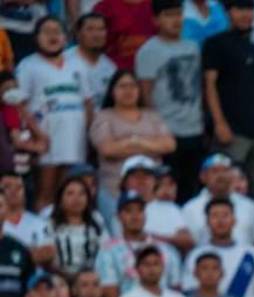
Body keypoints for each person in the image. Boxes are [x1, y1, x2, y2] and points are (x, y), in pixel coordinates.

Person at [135, 0, 204, 203]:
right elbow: (146, 94)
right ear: (156, 20)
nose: (176, 20)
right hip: (168, 130)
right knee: (168, 186)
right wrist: (155, 128)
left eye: (179, 14)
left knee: (192, 186)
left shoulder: (192, 47)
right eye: (169, 15)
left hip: (194, 127)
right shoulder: (149, 51)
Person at [17, 18, 88, 211]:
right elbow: (19, 105)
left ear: (65, 38)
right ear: (36, 38)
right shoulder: (28, 66)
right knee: (46, 193)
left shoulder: (77, 64)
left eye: (57, 31)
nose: (53, 36)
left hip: (75, 138)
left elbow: (86, 102)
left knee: (68, 191)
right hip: (47, 138)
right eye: (46, 31)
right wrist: (37, 134)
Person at [201, 0, 254, 199]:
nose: (246, 14)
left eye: (249, 9)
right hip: (232, 131)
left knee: (253, 187)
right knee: (225, 185)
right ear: (228, 12)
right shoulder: (215, 44)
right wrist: (219, 123)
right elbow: (209, 85)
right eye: (240, 9)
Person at [91, 70, 174, 214]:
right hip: (114, 188)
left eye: (132, 86)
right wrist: (151, 146)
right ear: (112, 91)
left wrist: (134, 141)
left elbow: (169, 145)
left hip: (152, 191)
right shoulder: (103, 117)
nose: (128, 91)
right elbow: (107, 149)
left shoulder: (152, 116)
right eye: (122, 86)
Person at [180, 197, 254, 297]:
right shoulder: (195, 255)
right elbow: (190, 292)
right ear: (207, 222)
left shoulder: (253, 254)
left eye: (225, 215)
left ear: (234, 220)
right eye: (215, 216)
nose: (220, 221)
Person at [96, 191, 183, 297]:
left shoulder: (166, 249)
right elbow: (109, 291)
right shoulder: (108, 250)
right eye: (128, 211)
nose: (135, 216)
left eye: (140, 210)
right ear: (118, 216)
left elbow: (175, 289)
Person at [180, 153, 254, 251]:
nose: (221, 176)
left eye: (225, 171)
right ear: (203, 176)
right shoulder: (190, 209)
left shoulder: (250, 207)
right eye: (215, 171)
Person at [47, 176, 106, 279]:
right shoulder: (50, 225)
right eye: (70, 194)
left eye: (81, 194)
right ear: (60, 199)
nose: (76, 199)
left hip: (93, 279)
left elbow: (107, 250)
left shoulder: (97, 221)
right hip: (59, 279)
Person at [1, 171, 54, 266]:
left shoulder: (40, 222)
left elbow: (48, 252)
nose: (13, 191)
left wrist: (11, 256)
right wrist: (30, 252)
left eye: (19, 187)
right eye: (7, 187)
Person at [67, 15, 118, 111]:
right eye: (90, 29)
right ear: (78, 34)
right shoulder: (65, 61)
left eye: (101, 29)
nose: (96, 34)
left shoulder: (110, 67)